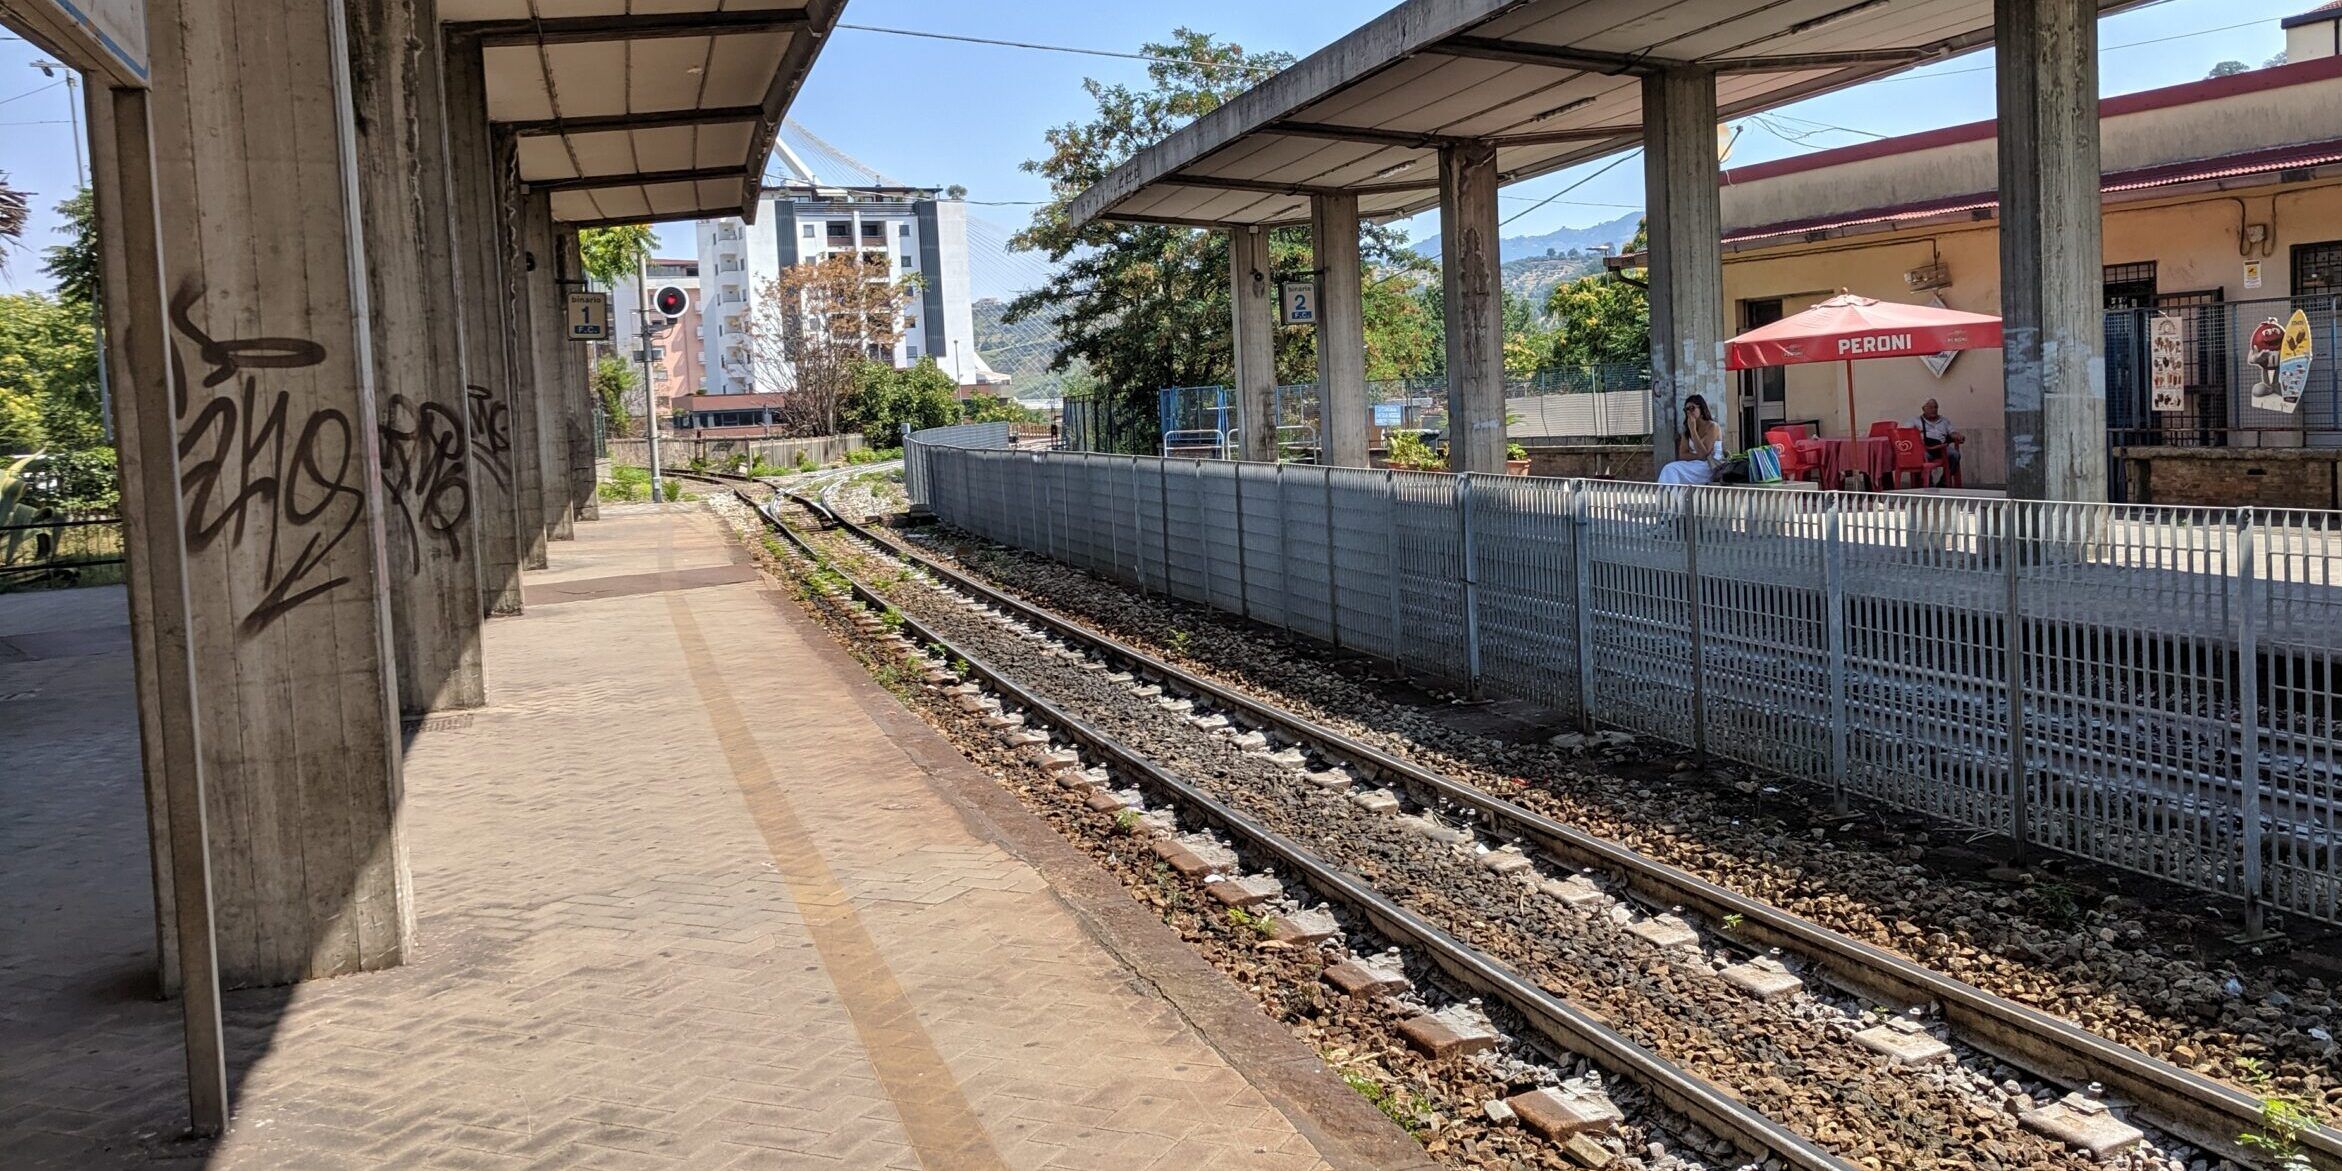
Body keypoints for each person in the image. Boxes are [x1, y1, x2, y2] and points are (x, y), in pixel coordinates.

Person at [1658, 395, 1725, 485]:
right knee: (1669, 468)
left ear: (1701, 408)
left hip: (1710, 466)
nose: (1689, 412)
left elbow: (1704, 453)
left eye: (1692, 408)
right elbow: (1683, 455)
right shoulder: (1687, 430)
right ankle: (1670, 496)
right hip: (1694, 464)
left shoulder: (1713, 427)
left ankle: (1670, 497)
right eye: (1686, 410)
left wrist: (1693, 431)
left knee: (1672, 469)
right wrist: (1698, 456)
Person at [1909, 399, 1965, 484]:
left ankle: (1944, 482)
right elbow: (1903, 432)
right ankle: (1927, 483)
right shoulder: (1915, 421)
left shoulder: (1944, 421)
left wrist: (1957, 436)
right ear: (1924, 409)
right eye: (1931, 407)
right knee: (1920, 458)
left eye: (1935, 407)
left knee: (1955, 455)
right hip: (1926, 449)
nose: (1934, 410)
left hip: (1942, 448)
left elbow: (1952, 432)